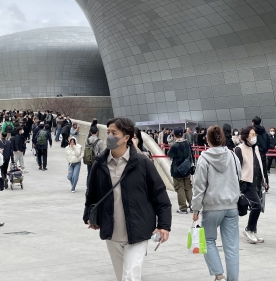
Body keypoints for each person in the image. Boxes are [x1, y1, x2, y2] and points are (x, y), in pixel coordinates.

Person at [84, 117, 172, 281]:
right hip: (112, 232)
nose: (109, 136)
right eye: (108, 132)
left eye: (114, 133)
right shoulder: (100, 164)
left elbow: (160, 195)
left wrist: (164, 225)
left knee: (130, 276)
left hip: (138, 232)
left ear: (126, 138)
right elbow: (92, 194)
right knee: (121, 277)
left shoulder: (142, 163)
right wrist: (89, 216)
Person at [192, 125, 241, 281]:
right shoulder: (233, 156)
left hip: (212, 207)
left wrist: (196, 208)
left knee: (207, 240)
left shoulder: (204, 158)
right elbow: (238, 176)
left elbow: (199, 186)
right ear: (224, 139)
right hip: (232, 206)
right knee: (232, 246)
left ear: (207, 140)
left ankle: (219, 275)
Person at [235, 126, 268, 244]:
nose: (255, 137)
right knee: (257, 206)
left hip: (257, 181)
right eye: (252, 134)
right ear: (246, 136)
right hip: (246, 182)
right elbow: (236, 168)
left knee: (258, 207)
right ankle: (248, 229)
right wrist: (239, 184)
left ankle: (253, 230)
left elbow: (260, 164)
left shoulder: (256, 148)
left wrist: (265, 180)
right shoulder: (239, 149)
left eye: (255, 134)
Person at [167, 126, 193, 214]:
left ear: (174, 135)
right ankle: (192, 205)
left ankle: (183, 208)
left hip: (177, 170)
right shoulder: (187, 143)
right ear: (182, 134)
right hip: (187, 168)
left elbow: (169, 155)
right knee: (188, 187)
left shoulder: (174, 145)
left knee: (180, 188)